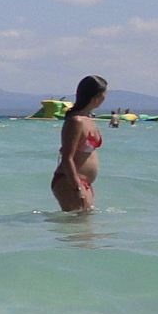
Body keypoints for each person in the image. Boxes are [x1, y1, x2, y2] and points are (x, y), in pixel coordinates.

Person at [52, 74, 107, 211]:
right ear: (96, 96)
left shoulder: (88, 118)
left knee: (84, 223)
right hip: (70, 181)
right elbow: (67, 157)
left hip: (84, 182)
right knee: (77, 223)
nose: (105, 98)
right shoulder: (76, 121)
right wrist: (77, 187)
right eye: (104, 94)